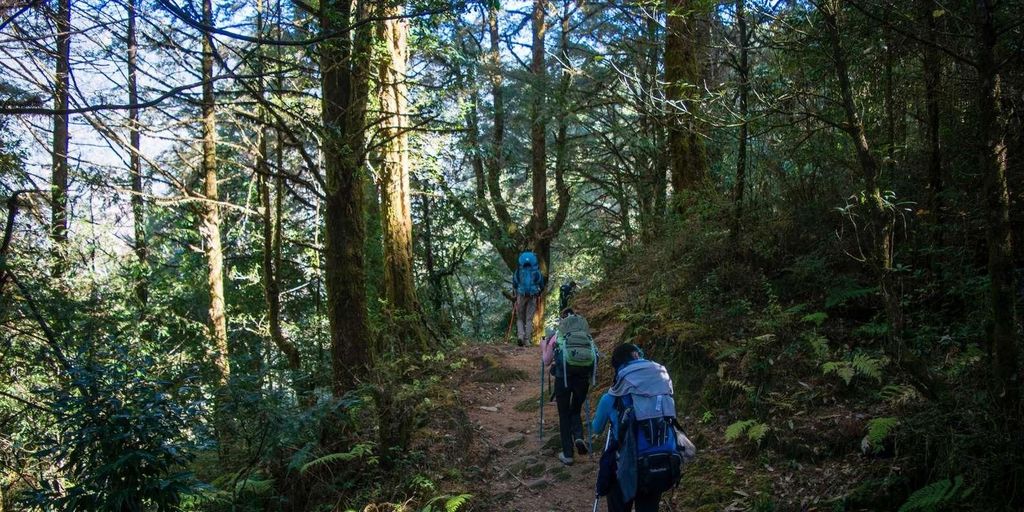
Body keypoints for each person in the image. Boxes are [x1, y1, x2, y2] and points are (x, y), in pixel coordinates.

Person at [591, 343, 680, 512]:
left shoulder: (611, 397)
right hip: (658, 462)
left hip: (624, 468)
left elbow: (596, 428)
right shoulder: (662, 392)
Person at [542, 308, 596, 465]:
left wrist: (544, 346)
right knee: (576, 409)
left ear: (562, 321)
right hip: (583, 378)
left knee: (564, 413)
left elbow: (546, 361)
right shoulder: (586, 336)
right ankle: (578, 437)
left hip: (563, 378)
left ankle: (568, 454)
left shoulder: (558, 336)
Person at [512, 251, 545, 346]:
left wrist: (517, 290)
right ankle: (527, 340)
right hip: (533, 295)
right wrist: (540, 291)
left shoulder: (519, 270)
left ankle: (520, 336)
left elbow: (515, 282)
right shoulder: (536, 270)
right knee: (529, 319)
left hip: (521, 295)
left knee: (520, 317)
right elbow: (541, 282)